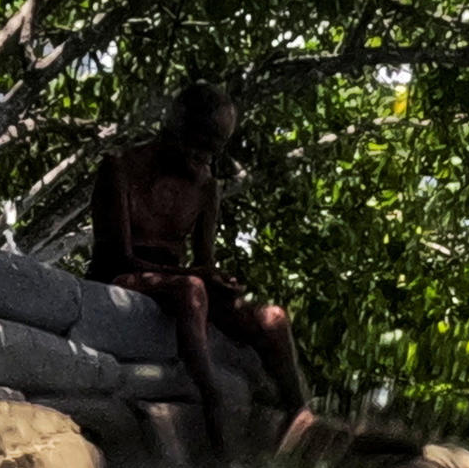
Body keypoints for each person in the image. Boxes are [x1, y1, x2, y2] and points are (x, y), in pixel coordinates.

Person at [89, 77, 311, 445]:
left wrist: (218, 279)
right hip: (123, 275)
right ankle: (212, 399)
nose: (206, 156)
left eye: (215, 147)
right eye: (200, 142)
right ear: (176, 127)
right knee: (191, 289)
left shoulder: (206, 185)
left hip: (180, 280)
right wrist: (193, 276)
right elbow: (118, 255)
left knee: (274, 318)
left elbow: (203, 259)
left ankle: (300, 414)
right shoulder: (121, 168)